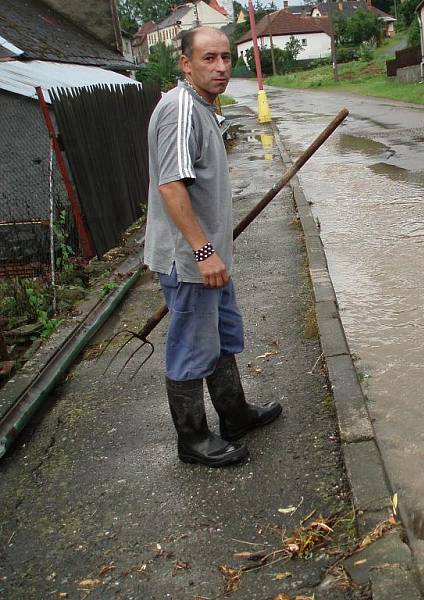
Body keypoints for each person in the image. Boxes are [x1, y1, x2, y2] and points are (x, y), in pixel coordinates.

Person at [143, 27, 281, 467]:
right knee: (191, 346)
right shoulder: (181, 108)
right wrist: (203, 252)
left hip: (210, 259)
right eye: (209, 59)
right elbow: (170, 186)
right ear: (185, 63)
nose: (221, 67)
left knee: (221, 339)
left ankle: (235, 417)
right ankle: (193, 440)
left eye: (226, 57)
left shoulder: (203, 106)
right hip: (190, 261)